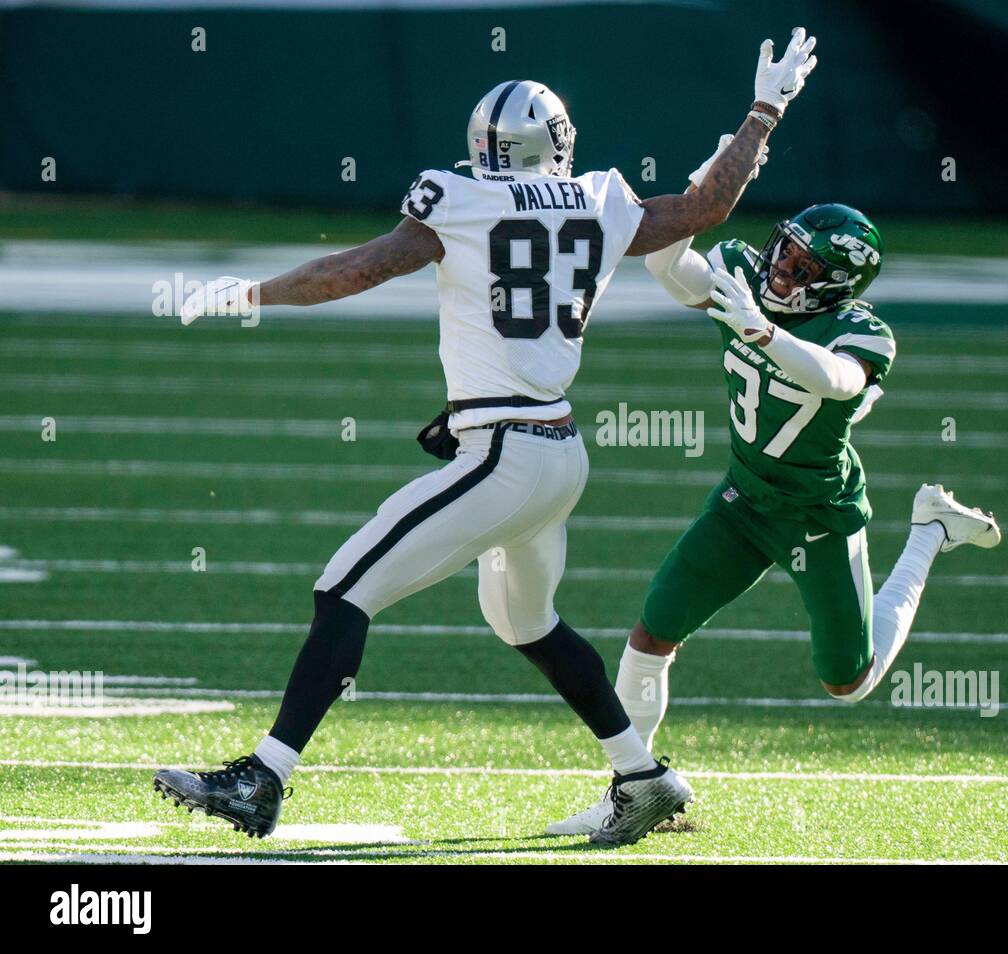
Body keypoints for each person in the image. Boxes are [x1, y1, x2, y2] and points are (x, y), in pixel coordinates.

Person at [152, 28, 819, 846]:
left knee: (345, 587)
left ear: (484, 145)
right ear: (561, 144)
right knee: (525, 623)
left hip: (504, 454)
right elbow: (706, 207)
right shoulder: (600, 199)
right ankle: (643, 777)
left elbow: (363, 266)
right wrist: (764, 111)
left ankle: (264, 777)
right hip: (556, 452)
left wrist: (250, 294)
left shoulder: (459, 198)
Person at [547, 201, 1002, 835]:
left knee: (850, 681)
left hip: (817, 513)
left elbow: (841, 379)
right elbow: (667, 265)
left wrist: (765, 333)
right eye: (785, 249)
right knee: (653, 631)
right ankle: (634, 785)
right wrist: (695, 203)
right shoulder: (742, 274)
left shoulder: (858, 329)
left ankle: (930, 531)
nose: (783, 268)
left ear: (839, 283)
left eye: (805, 265)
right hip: (745, 498)